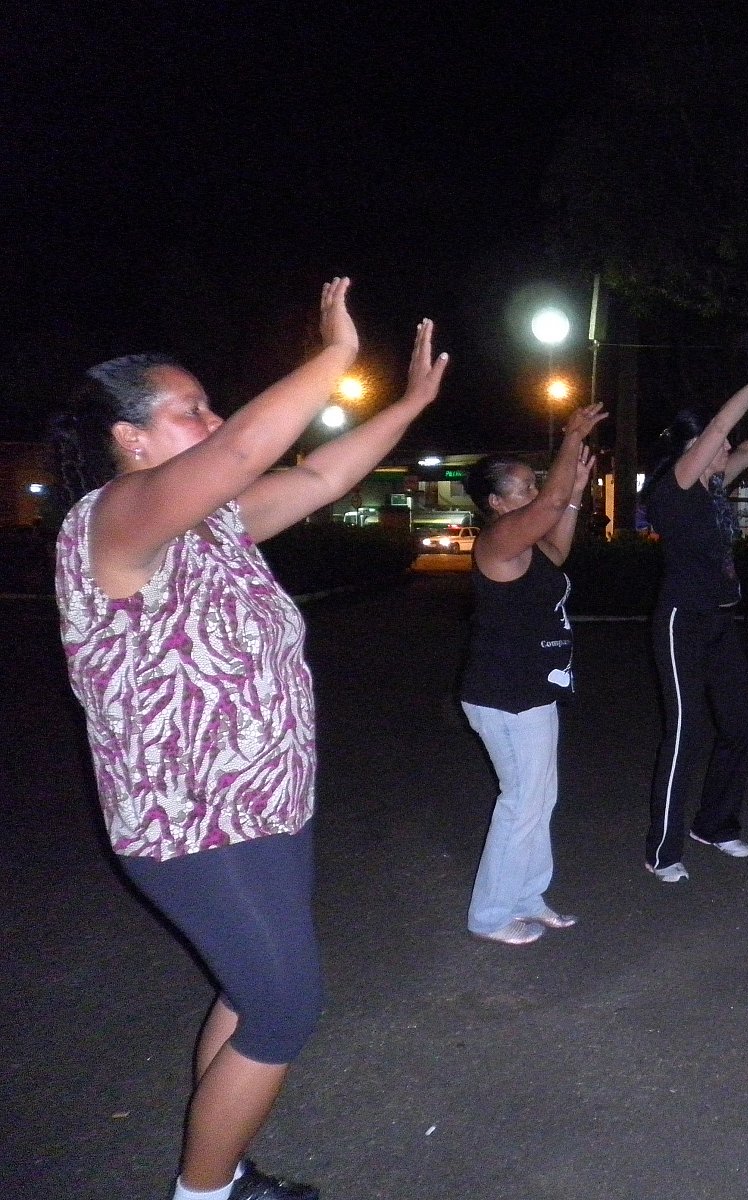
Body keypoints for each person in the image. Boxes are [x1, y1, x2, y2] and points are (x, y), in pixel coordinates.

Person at [50, 280, 447, 1200]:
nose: (215, 420)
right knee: (285, 1007)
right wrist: (336, 356)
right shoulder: (113, 519)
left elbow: (319, 478)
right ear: (131, 439)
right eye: (189, 409)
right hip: (191, 827)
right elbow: (240, 451)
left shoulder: (214, 528)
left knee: (247, 989)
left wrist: (410, 405)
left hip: (266, 807)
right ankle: (201, 1195)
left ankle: (221, 1172)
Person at [641, 355, 748, 881]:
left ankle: (714, 824)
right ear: (695, 447)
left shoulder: (711, 484)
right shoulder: (678, 484)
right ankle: (663, 852)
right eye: (717, 443)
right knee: (685, 733)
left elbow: (747, 448)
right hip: (681, 620)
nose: (727, 448)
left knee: (741, 727)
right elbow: (724, 426)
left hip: (720, 621)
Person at [458, 403, 608, 945]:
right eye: (523, 487)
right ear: (497, 504)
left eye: (533, 484)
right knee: (522, 801)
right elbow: (548, 507)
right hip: (504, 694)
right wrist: (570, 439)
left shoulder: (527, 545)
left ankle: (526, 895)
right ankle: (490, 915)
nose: (535, 492)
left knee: (540, 799)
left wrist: (576, 491)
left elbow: (558, 546)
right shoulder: (497, 541)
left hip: (532, 688)